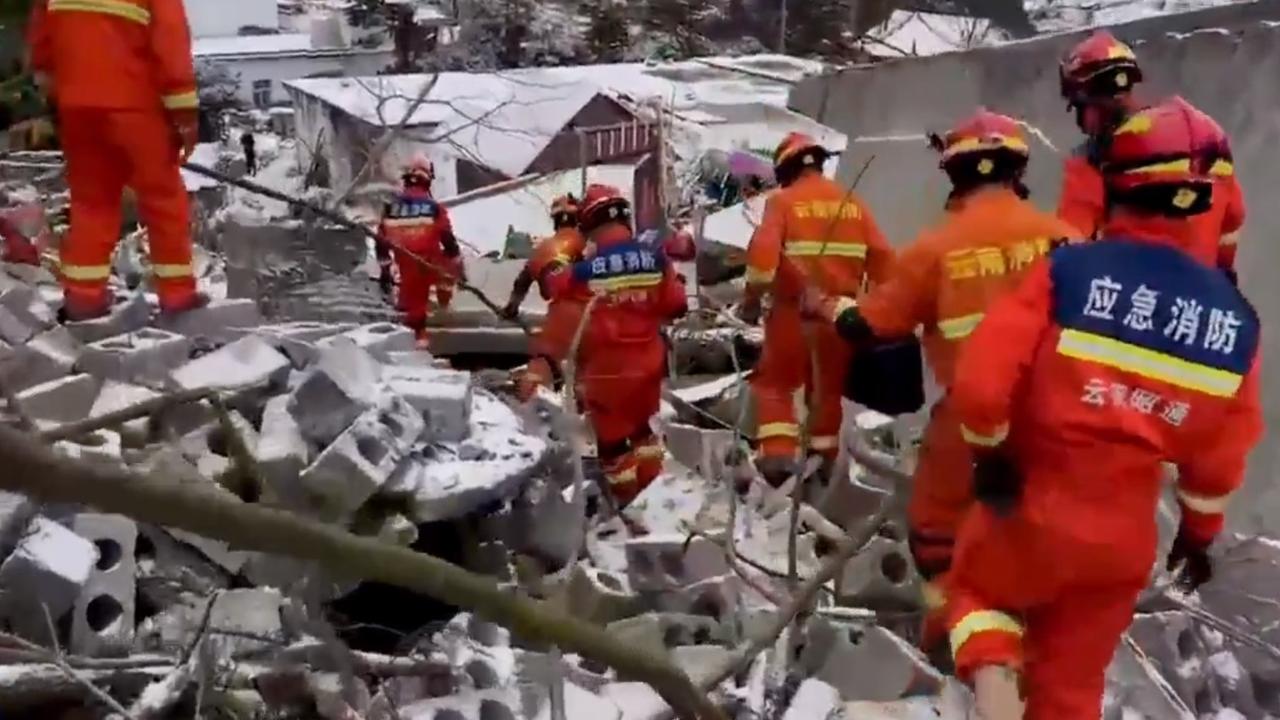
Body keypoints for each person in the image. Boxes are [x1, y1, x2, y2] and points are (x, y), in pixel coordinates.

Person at [943, 97, 1263, 720]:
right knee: (1072, 686)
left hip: (1032, 506)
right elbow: (1220, 460)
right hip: (1124, 540)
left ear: (1116, 185)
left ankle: (996, 702)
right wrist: (1198, 537)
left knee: (978, 599)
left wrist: (990, 456)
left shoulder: (1069, 273)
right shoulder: (1235, 325)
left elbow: (983, 385)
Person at [804, 110, 1082, 655]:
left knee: (936, 530)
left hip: (974, 421)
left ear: (953, 174)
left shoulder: (936, 250)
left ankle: (954, 638)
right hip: (1062, 419)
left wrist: (827, 304)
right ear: (1017, 169)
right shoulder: (1067, 241)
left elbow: (870, 324)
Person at [27, 0, 204, 319]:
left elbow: (41, 44)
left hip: (77, 106)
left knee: (91, 202)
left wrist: (61, 94)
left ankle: (84, 298)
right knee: (163, 199)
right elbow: (170, 41)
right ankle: (178, 296)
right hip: (135, 104)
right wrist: (185, 114)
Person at [742, 131, 895, 487]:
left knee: (775, 384)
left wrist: (752, 299)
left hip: (792, 314)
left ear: (785, 170)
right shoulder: (852, 202)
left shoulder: (782, 202)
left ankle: (778, 459)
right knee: (826, 391)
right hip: (840, 317)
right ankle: (821, 465)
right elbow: (886, 264)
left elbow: (763, 264)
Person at [1057, 30, 1246, 277]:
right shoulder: (1210, 137)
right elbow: (1232, 220)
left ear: (1087, 101)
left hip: (1135, 302)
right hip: (1200, 301)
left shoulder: (1094, 160)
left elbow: (1070, 247)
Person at [545, 184, 688, 506]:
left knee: (613, 445)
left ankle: (627, 503)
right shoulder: (655, 260)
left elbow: (555, 293)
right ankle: (653, 499)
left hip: (605, 375)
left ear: (590, 225)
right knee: (644, 434)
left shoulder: (583, 270)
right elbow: (677, 305)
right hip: (649, 368)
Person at [498, 194, 588, 400]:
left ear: (555, 221)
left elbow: (522, 282)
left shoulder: (541, 249)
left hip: (559, 315)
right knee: (589, 369)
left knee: (544, 363)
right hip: (589, 311)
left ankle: (527, 406)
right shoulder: (586, 243)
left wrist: (511, 309)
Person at [377, 155, 462, 349]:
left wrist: (385, 269)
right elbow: (447, 239)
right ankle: (434, 320)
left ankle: (414, 327)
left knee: (409, 297)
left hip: (403, 263)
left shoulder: (390, 207)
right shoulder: (433, 208)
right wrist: (457, 262)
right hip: (426, 262)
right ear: (427, 180)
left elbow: (380, 241)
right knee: (442, 276)